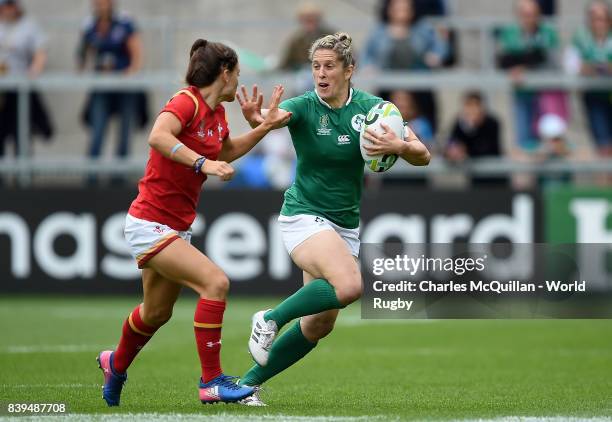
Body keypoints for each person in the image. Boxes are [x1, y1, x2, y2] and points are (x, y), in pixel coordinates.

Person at [235, 32, 430, 405]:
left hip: (345, 225)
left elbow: (424, 154)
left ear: (349, 70)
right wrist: (261, 119)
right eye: (315, 67)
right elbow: (277, 117)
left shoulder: (374, 111)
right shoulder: (306, 105)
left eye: (328, 67)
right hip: (303, 216)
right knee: (350, 287)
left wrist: (400, 146)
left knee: (318, 324)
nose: (320, 74)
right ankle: (269, 319)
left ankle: (245, 386)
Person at [96, 38, 290, 407]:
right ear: (224, 72)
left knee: (155, 312)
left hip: (174, 226)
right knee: (215, 283)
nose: (238, 83)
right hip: (150, 221)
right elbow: (158, 136)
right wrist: (203, 164)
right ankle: (212, 381)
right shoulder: (186, 101)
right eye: (236, 75)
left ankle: (114, 363)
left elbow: (227, 151)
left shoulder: (216, 116)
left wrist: (264, 128)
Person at [363, 0, 448, 133]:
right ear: (389, 9)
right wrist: (369, 66)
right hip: (388, 82)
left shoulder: (423, 28)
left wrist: (436, 56)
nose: (401, 13)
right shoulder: (379, 31)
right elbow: (367, 54)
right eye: (397, 8)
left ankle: (428, 142)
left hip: (418, 82)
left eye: (405, 8)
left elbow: (440, 47)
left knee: (426, 114)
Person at [77, 0, 143, 170]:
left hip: (124, 86)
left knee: (124, 133)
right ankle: (91, 178)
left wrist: (130, 72)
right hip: (102, 87)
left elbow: (136, 52)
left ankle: (118, 180)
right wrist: (82, 67)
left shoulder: (124, 22)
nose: (102, 4)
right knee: (97, 130)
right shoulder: (90, 25)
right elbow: (82, 54)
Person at [496, 0, 561, 151]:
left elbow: (550, 60)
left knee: (550, 143)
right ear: (519, 15)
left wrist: (522, 62)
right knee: (525, 144)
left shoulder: (548, 31)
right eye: (525, 14)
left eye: (533, 14)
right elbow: (504, 60)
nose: (529, 18)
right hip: (522, 94)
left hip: (546, 96)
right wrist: (532, 58)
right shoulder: (510, 32)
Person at [0, 0, 53, 157]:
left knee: (21, 131)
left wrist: (34, 71)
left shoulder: (29, 26)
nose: (8, 9)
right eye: (5, 6)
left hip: (19, 89)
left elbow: (40, 52)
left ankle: (22, 177)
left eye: (11, 5)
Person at [565, 0, 611, 156]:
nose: (599, 23)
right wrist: (585, 68)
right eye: (595, 18)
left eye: (602, 18)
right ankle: (606, 179)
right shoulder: (581, 37)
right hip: (593, 95)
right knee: (603, 143)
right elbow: (571, 64)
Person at [445, 91, 506, 186]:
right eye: (468, 106)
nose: (472, 110)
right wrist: (452, 152)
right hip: (475, 178)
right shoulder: (459, 124)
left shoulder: (492, 123)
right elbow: (451, 144)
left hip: (496, 177)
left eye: (475, 105)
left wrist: (466, 150)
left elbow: (488, 149)